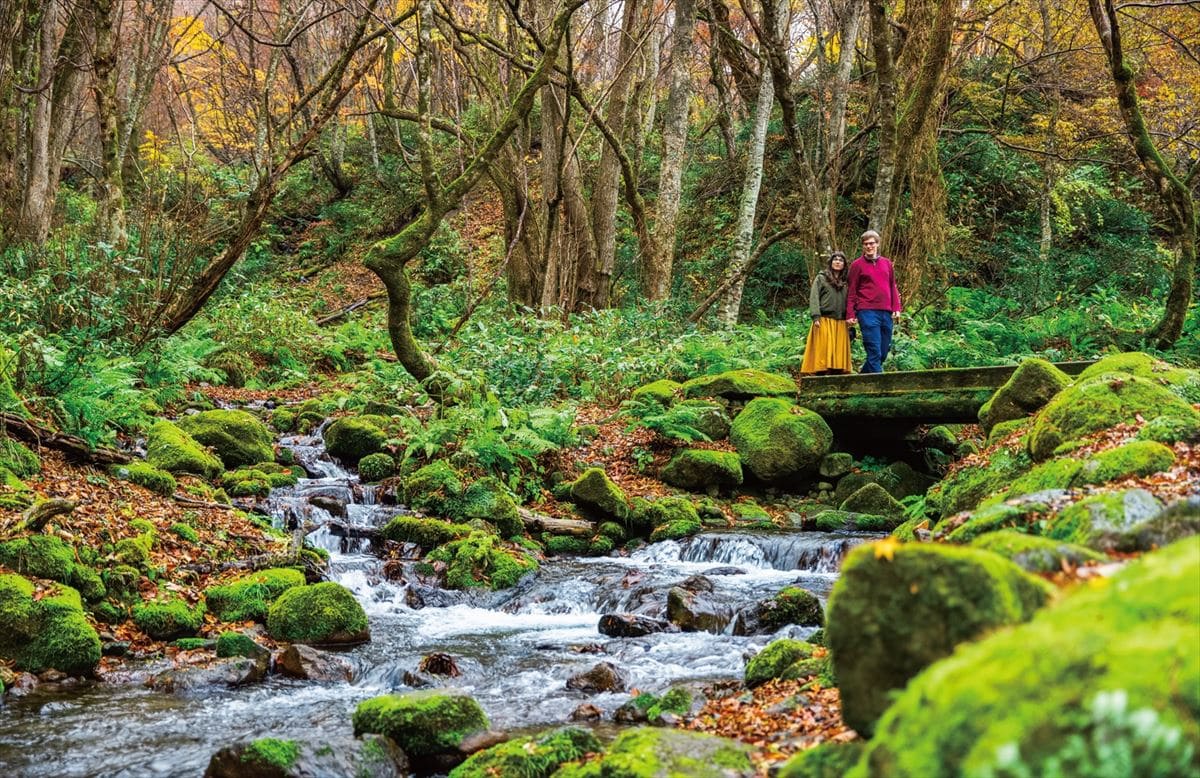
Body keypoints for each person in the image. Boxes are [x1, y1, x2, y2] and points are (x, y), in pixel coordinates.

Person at [845, 230, 901, 374]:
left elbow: (892, 286)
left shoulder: (887, 263)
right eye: (866, 244)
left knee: (882, 352)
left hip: (886, 312)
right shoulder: (857, 265)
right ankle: (882, 388)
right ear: (863, 246)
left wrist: (897, 307)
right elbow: (852, 291)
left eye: (872, 243)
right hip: (867, 311)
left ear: (877, 244)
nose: (869, 246)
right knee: (874, 351)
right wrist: (850, 313)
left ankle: (862, 377)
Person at [799, 252, 852, 375]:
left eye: (841, 260)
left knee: (838, 352)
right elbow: (814, 297)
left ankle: (837, 373)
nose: (838, 262)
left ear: (844, 264)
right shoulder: (821, 278)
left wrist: (851, 316)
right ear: (831, 262)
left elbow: (852, 299)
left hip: (841, 321)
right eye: (835, 259)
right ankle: (820, 374)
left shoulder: (846, 281)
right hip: (824, 319)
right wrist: (815, 316)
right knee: (823, 350)